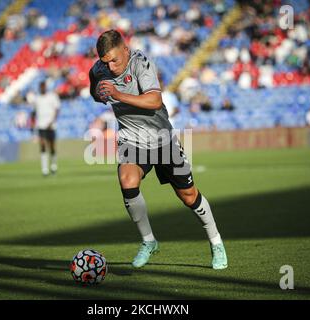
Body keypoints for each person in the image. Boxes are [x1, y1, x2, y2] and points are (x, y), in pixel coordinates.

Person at [89, 30, 227, 269]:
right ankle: (148, 241)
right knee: (127, 180)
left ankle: (216, 243)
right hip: (131, 139)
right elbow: (96, 90)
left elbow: (154, 101)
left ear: (126, 49)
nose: (110, 67)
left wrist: (117, 94)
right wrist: (98, 94)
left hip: (162, 138)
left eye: (115, 60)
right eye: (105, 62)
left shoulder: (141, 64)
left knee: (188, 196)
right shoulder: (98, 70)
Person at [31, 81, 60, 176]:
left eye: (44, 86)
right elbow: (34, 112)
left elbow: (57, 109)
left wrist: (52, 121)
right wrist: (32, 123)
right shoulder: (37, 99)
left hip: (51, 125)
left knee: (52, 146)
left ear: (46, 87)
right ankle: (45, 169)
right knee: (43, 145)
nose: (42, 88)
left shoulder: (52, 97)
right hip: (41, 125)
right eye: (41, 87)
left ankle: (53, 166)